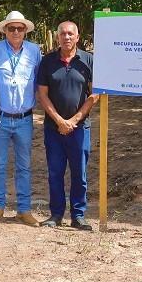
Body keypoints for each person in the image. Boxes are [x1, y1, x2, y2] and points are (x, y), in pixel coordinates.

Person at [0, 10, 42, 226]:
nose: (16, 31)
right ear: (4, 31)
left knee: (24, 166)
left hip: (25, 119)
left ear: (25, 30)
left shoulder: (34, 52)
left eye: (20, 28)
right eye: (11, 28)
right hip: (0, 119)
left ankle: (24, 210)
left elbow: (38, 82)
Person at [36, 21, 98, 230]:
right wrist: (59, 121)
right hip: (54, 129)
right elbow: (42, 95)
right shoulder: (47, 62)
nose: (67, 37)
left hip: (80, 129)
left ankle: (78, 216)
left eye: (71, 34)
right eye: (63, 34)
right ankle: (55, 215)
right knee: (55, 173)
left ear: (78, 37)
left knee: (79, 173)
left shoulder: (88, 60)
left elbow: (94, 95)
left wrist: (73, 120)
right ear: (57, 37)